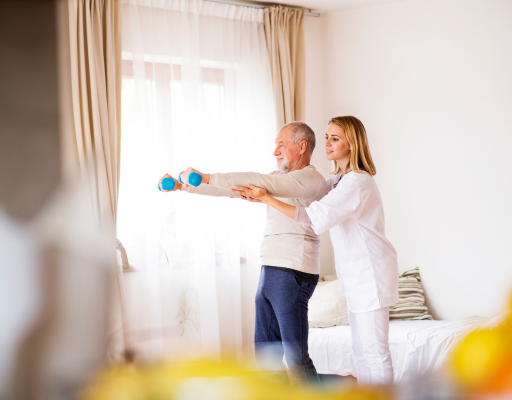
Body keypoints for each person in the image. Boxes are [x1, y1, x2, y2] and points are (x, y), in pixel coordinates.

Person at [232, 116, 399, 385]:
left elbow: (310, 216)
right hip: (356, 278)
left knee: (374, 353)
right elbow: (307, 194)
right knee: (361, 354)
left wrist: (266, 198)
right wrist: (258, 192)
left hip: (370, 275)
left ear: (352, 144)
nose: (328, 143)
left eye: (335, 138)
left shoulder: (357, 183)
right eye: (326, 137)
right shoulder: (337, 182)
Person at [159, 122, 327, 386]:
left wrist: (207, 176)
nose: (275, 151)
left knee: (296, 358)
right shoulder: (278, 179)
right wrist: (186, 187)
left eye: (281, 144)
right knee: (266, 357)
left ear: (302, 146)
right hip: (271, 269)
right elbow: (234, 189)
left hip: (294, 270)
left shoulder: (311, 179)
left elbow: (261, 182)